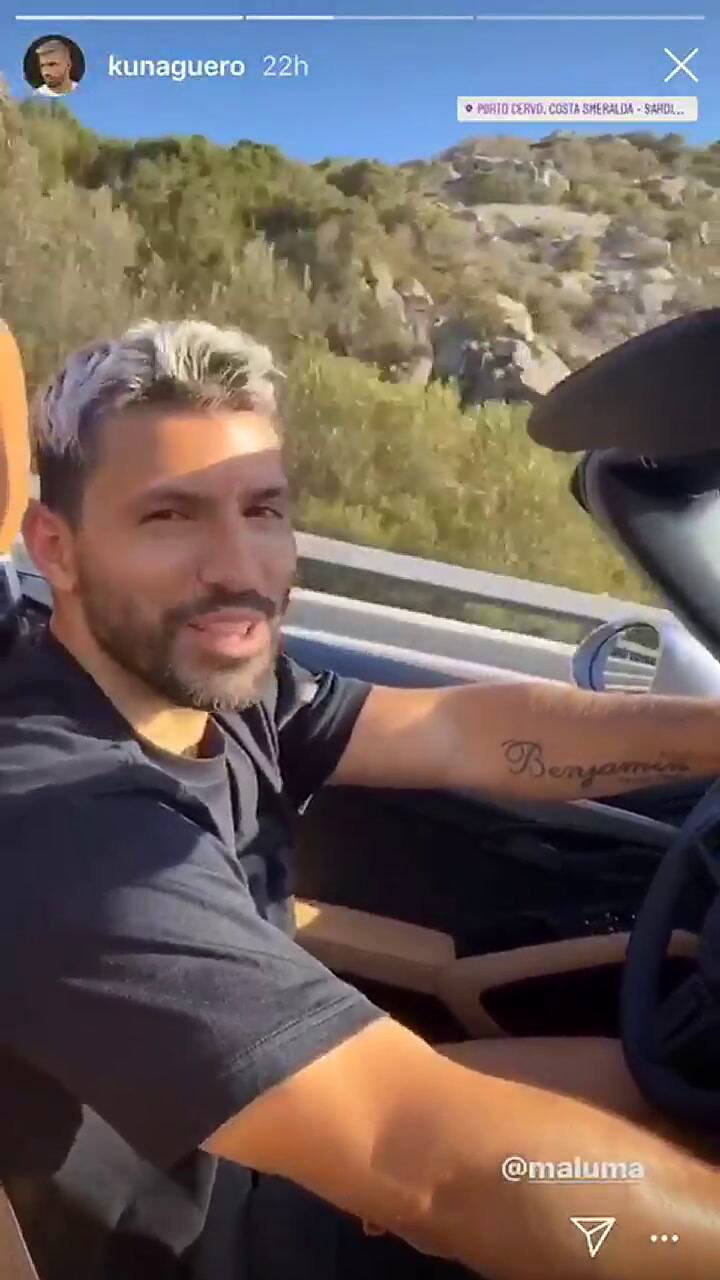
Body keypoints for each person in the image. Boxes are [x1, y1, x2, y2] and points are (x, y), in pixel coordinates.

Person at [0, 319, 718, 1280]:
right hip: (228, 1244)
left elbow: (465, 733)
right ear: (58, 546)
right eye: (169, 517)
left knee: (679, 1095)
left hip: (269, 1154)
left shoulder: (206, 685)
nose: (241, 567)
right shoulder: (74, 828)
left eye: (262, 510)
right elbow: (429, 1167)